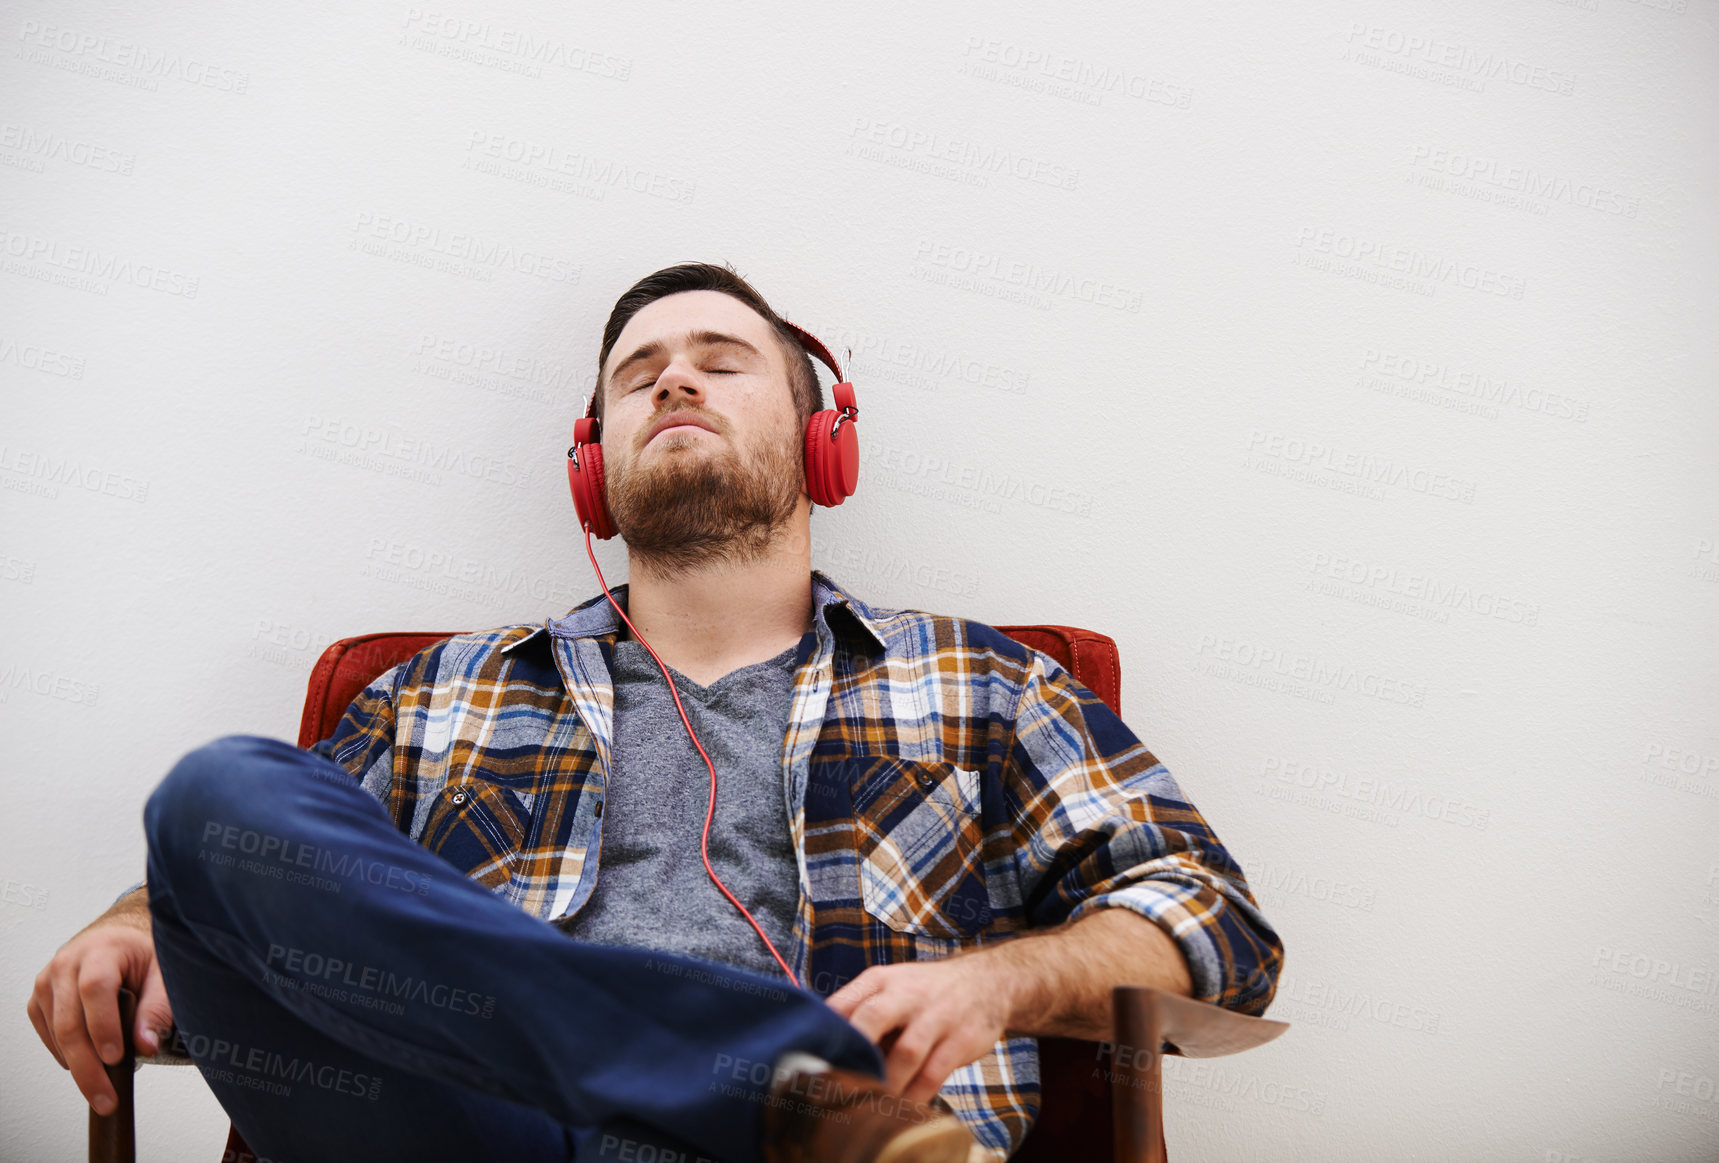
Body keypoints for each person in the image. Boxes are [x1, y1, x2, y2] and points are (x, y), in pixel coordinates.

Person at [28, 262, 1285, 1162]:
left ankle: (801, 1099)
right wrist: (138, 916)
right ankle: (779, 1087)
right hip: (472, 1135)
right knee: (211, 796)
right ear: (597, 465)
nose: (674, 380)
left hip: (880, 1129)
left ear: (823, 437)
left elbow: (1216, 926)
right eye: (640, 375)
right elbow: (262, 880)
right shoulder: (435, 695)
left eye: (722, 362)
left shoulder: (986, 682)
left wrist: (998, 985)